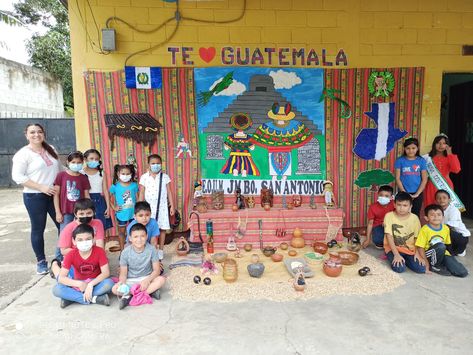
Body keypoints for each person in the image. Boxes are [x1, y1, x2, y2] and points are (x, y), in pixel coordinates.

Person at [12, 123, 61, 274]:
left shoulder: (50, 149)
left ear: (44, 133)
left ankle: (61, 257)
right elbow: (18, 177)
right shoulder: (23, 154)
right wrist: (41, 187)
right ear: (26, 135)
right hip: (34, 196)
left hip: (54, 195)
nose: (36, 135)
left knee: (63, 225)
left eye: (39, 132)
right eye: (32, 132)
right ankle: (41, 261)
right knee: (38, 229)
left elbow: (60, 169)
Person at [52, 224, 114, 308]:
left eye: (88, 239)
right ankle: (95, 299)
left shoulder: (100, 252)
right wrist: (79, 284)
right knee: (57, 289)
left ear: (94, 239)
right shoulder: (71, 254)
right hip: (78, 284)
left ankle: (72, 298)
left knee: (109, 283)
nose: (84, 242)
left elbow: (106, 273)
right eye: (80, 240)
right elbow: (61, 278)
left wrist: (90, 284)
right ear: (74, 241)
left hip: (95, 282)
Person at [112, 223, 165, 310]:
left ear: (147, 236)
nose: (139, 239)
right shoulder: (125, 252)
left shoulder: (152, 250)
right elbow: (123, 273)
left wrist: (147, 280)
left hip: (146, 278)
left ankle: (129, 296)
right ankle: (148, 292)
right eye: (135, 237)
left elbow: (156, 270)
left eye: (142, 236)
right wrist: (122, 283)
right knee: (114, 289)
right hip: (131, 279)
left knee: (161, 280)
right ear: (130, 238)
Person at [415, 204, 468, 277]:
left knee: (462, 272)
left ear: (443, 217)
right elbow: (420, 247)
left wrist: (451, 259)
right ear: (426, 218)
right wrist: (426, 262)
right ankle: (435, 266)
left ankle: (441, 263)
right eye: (432, 215)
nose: (436, 217)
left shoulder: (445, 228)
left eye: (439, 214)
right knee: (441, 246)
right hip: (429, 254)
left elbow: (448, 244)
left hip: (442, 253)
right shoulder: (425, 229)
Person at [138, 154, 175, 260]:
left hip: (162, 207)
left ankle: (161, 250)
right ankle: (148, 249)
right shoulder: (144, 177)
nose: (156, 165)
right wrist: (139, 207)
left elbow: (169, 192)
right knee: (148, 228)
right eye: (153, 163)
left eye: (158, 163)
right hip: (148, 209)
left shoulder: (165, 177)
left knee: (162, 229)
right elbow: (142, 192)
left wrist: (172, 206)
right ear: (148, 165)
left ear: (161, 164)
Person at [383, 192, 425, 274]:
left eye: (405, 205)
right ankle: (396, 257)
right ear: (394, 205)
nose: (401, 208)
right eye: (399, 205)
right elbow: (389, 236)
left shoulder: (414, 218)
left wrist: (417, 253)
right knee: (400, 269)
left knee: (421, 269)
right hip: (393, 249)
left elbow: (417, 237)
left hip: (410, 250)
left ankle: (406, 259)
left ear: (410, 206)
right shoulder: (389, 216)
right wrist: (396, 254)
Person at [53, 151, 91, 232]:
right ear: (68, 162)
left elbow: (87, 195)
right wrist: (57, 212)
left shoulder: (84, 178)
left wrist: (89, 211)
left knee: (80, 233)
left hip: (81, 212)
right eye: (73, 162)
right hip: (65, 212)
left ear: (82, 163)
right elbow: (56, 194)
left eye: (79, 162)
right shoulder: (61, 175)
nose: (76, 164)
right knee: (65, 234)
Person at [423, 134, 461, 207]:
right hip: (431, 185)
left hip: (446, 185)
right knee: (431, 207)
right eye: (438, 143)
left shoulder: (449, 157)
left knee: (446, 207)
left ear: (447, 145)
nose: (441, 145)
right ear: (434, 144)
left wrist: (450, 154)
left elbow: (456, 170)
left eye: (444, 143)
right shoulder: (427, 157)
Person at [394, 137, 427, 217]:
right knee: (402, 213)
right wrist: (404, 192)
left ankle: (415, 230)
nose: (411, 150)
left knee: (415, 215)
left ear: (417, 148)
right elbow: (397, 178)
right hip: (403, 192)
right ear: (404, 148)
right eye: (408, 148)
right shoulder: (399, 161)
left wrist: (417, 193)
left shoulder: (421, 161)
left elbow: (424, 179)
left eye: (413, 148)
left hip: (417, 193)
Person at [82, 149, 113, 232]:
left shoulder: (102, 173)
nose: (94, 161)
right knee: (87, 228)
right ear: (85, 159)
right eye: (91, 159)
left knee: (101, 227)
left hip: (100, 201)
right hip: (86, 201)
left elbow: (105, 190)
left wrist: (108, 207)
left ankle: (101, 244)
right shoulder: (80, 172)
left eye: (96, 159)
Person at [110, 164, 138, 251]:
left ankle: (134, 249)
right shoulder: (115, 186)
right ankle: (122, 251)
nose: (125, 176)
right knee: (121, 233)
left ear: (131, 174)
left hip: (133, 214)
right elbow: (107, 197)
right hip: (121, 214)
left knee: (134, 232)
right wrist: (114, 207)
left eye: (127, 174)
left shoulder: (134, 185)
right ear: (118, 174)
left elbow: (138, 197)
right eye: (123, 173)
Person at [436, 190, 470, 257]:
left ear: (449, 200)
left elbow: (450, 225)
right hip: (447, 234)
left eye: (444, 198)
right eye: (439, 198)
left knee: (456, 253)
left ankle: (461, 249)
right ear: (436, 200)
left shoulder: (454, 209)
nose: (441, 200)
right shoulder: (437, 210)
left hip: (460, 236)